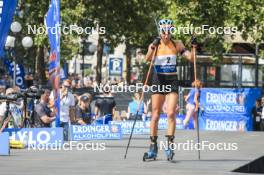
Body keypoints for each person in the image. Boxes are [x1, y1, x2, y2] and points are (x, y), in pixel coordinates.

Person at [143, 19, 196, 161]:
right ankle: (153, 146)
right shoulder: (155, 44)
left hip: (171, 80)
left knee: (171, 113)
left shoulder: (177, 44)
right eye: (163, 32)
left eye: (169, 32)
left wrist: (195, 46)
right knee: (155, 114)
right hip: (158, 79)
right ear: (160, 31)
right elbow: (146, 59)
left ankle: (170, 145)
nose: (166, 35)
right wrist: (152, 47)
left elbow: (191, 58)